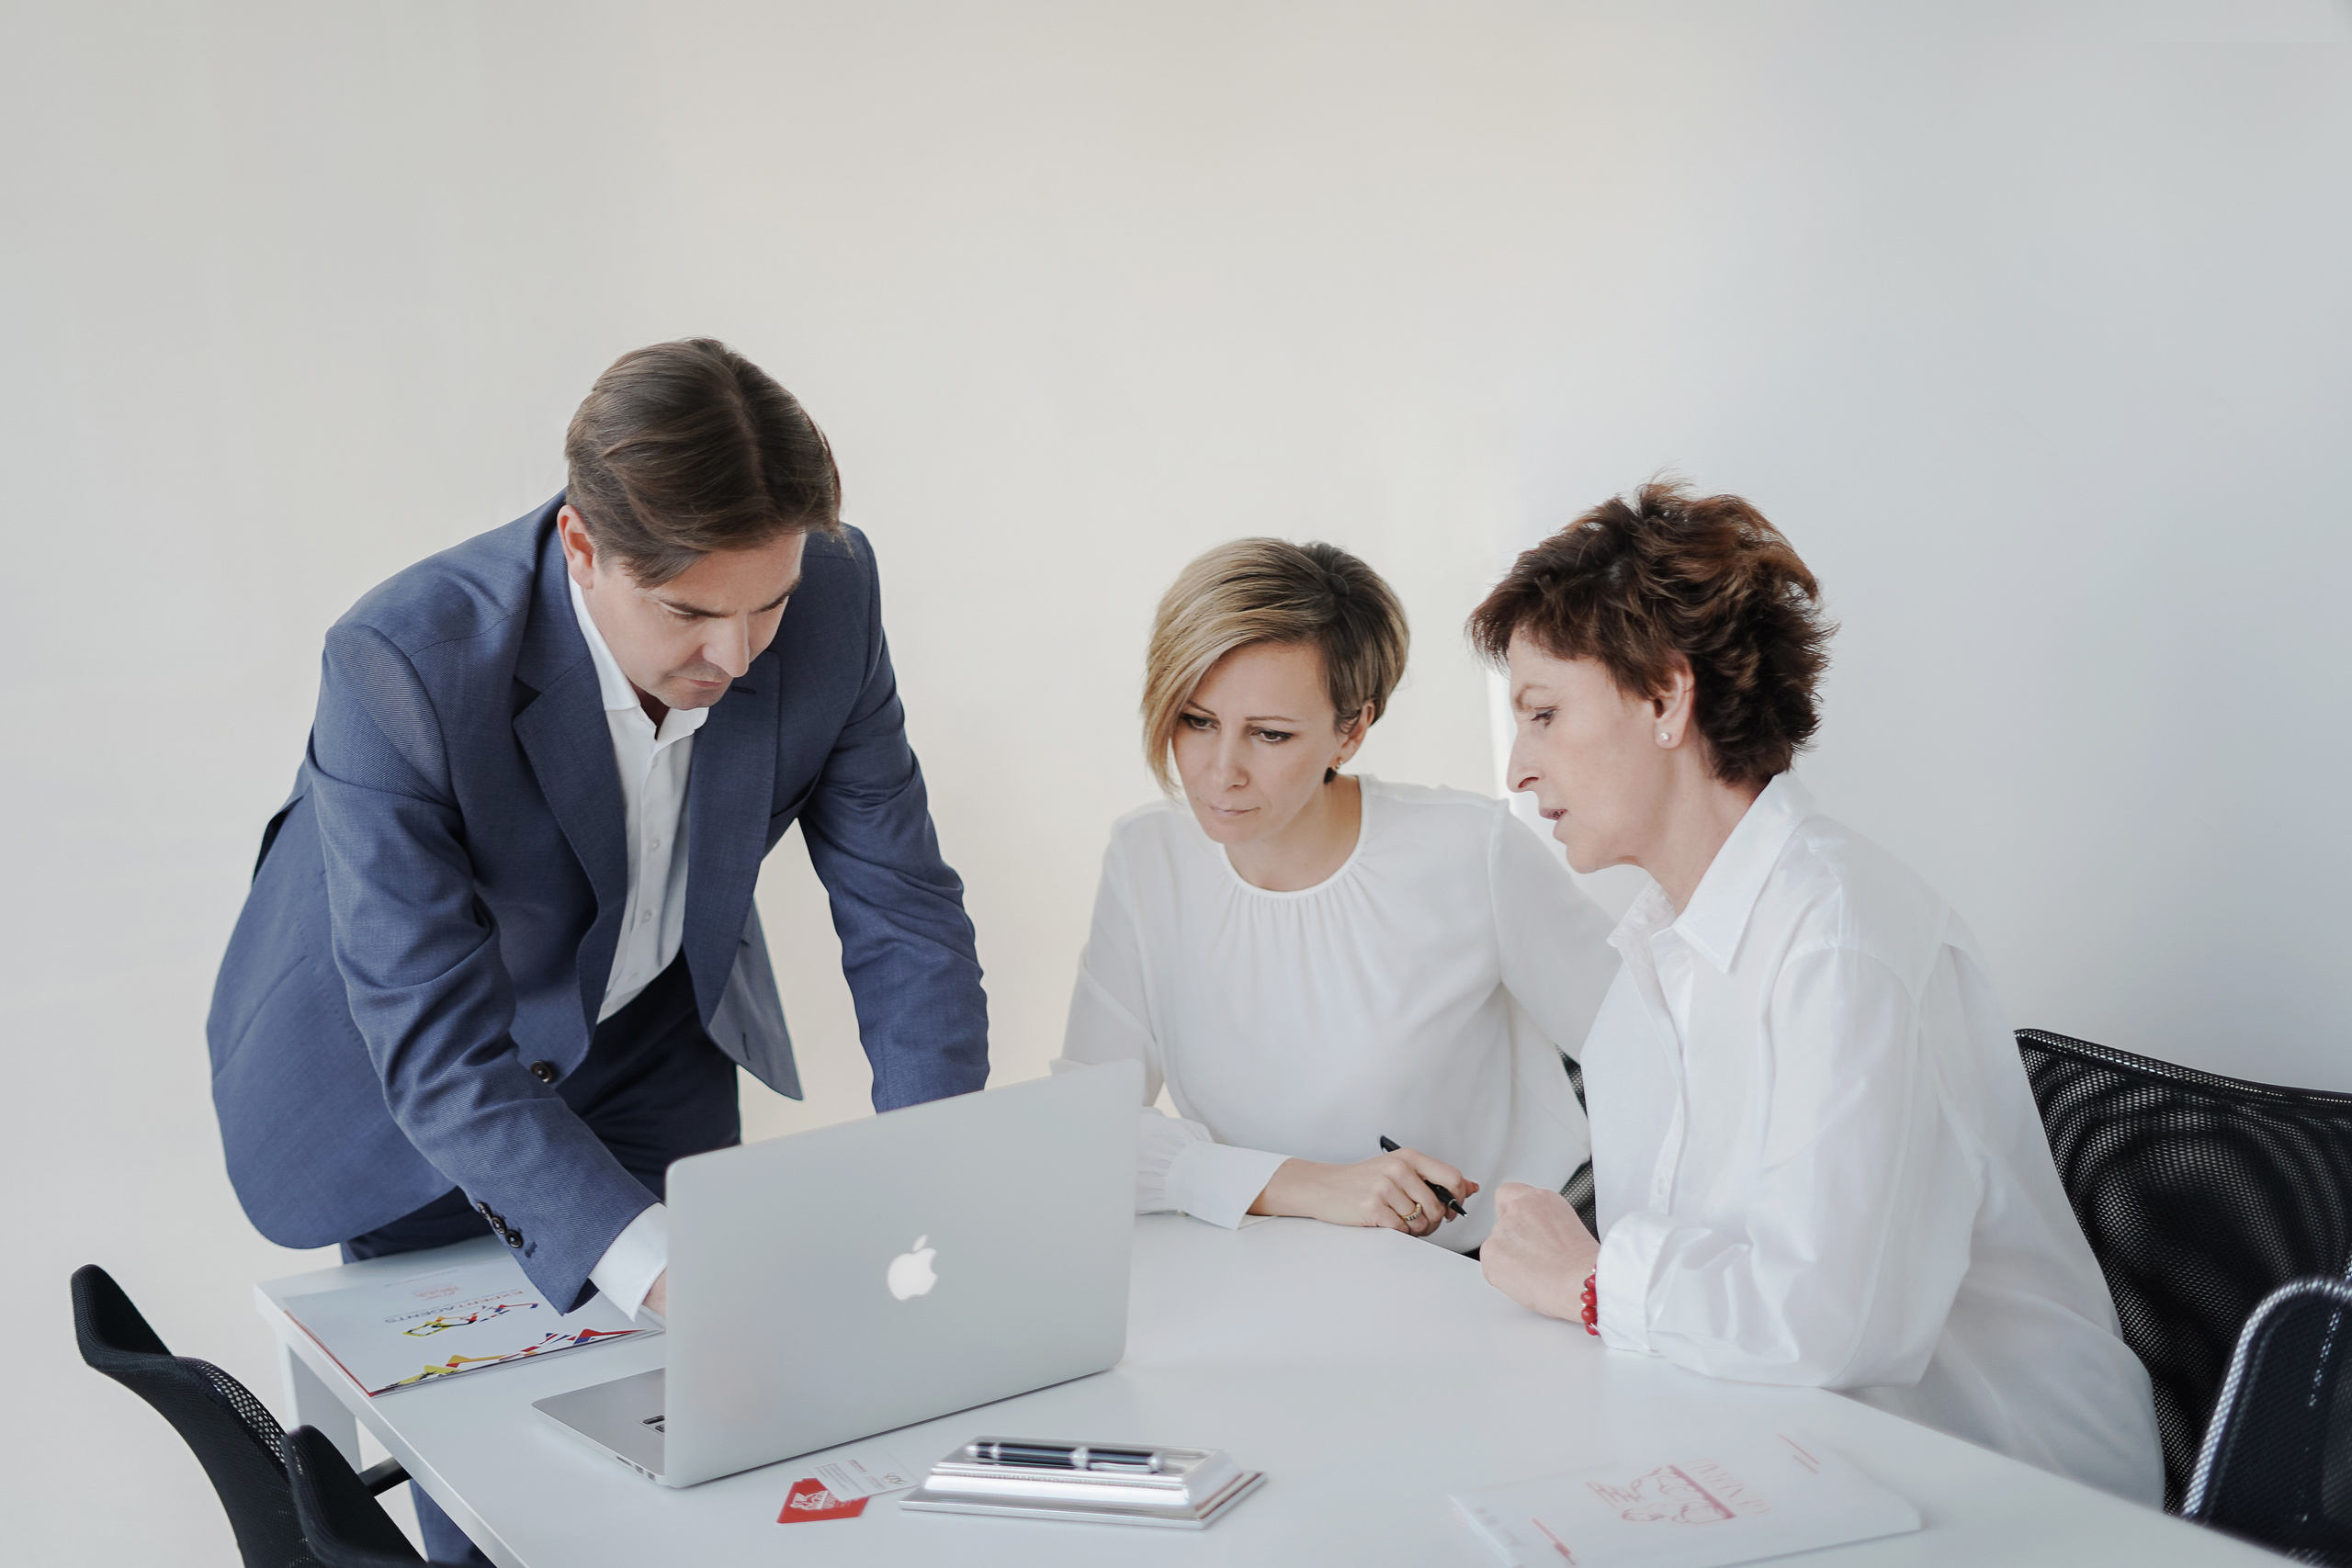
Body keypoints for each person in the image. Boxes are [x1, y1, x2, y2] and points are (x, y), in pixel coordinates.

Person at [206, 339, 989, 1562]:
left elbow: (903, 909)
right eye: (689, 611)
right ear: (583, 546)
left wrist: (937, 1183)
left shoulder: (835, 593)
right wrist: (670, 1272)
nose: (738, 655)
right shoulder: (402, 661)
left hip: (647, 1035)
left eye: (766, 605)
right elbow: (438, 1047)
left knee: (713, 1447)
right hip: (411, 1082)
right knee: (498, 1491)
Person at [1468, 480, 2163, 1503]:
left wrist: (1589, 1280)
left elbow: (1829, 1325)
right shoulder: (1656, 962)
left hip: (2005, 1488)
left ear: (1665, 699)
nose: (1520, 769)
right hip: (1783, 1457)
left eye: (1542, 713)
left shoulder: (1839, 941)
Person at [1054, 538, 1619, 1251]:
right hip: (1304, 1268)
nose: (1219, 770)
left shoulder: (1468, 849)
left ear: (1350, 731)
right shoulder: (1147, 861)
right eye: (1196, 720)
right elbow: (1082, 1130)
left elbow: (1645, 1050)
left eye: (1269, 734)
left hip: (1520, 1253)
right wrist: (1304, 1183)